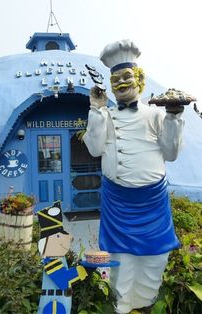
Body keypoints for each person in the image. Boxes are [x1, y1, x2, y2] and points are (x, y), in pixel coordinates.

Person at [83, 39, 184, 314]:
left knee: (155, 258)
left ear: (139, 79)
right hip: (118, 201)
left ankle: (146, 304)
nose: (122, 83)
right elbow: (93, 148)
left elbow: (171, 152)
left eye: (127, 76)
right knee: (120, 260)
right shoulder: (105, 115)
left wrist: (174, 117)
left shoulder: (155, 114)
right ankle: (121, 306)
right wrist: (96, 110)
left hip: (152, 202)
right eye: (116, 79)